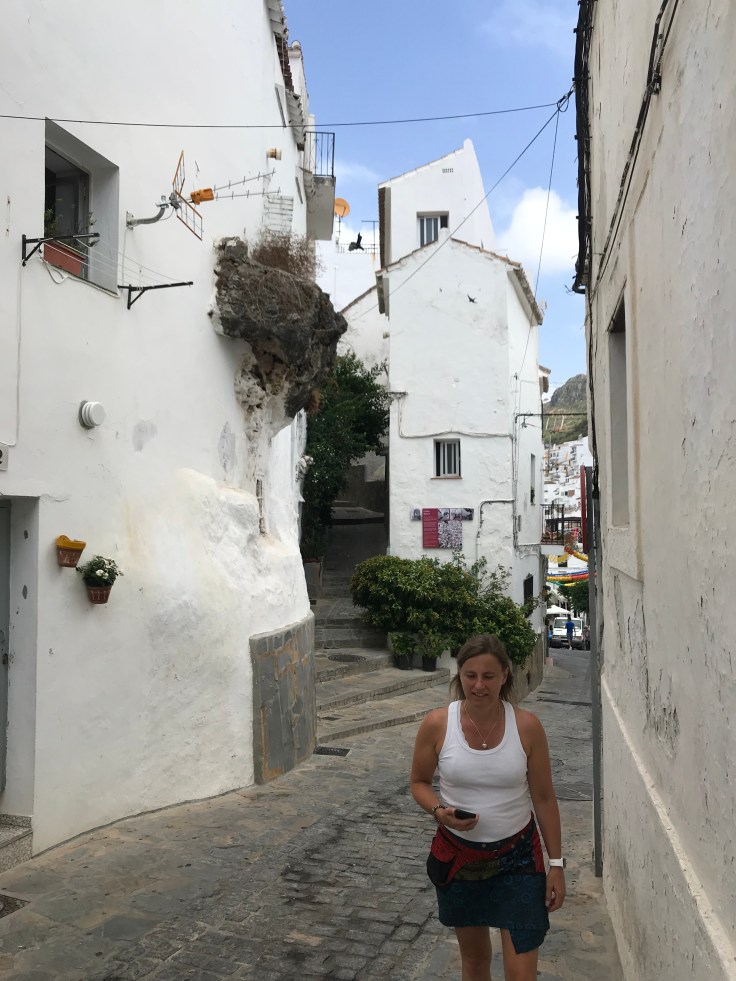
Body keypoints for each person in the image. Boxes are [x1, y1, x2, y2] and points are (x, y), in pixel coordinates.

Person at [410, 634, 565, 981]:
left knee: (521, 973)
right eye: (470, 675)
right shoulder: (437, 724)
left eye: (488, 676)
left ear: (505, 675)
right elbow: (419, 782)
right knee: (476, 960)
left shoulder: (527, 727)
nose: (479, 685)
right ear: (459, 674)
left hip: (519, 858)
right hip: (460, 859)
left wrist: (556, 864)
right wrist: (439, 812)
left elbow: (544, 797)